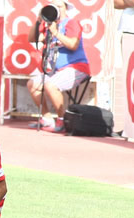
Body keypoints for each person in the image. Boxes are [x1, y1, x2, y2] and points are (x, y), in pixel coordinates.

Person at [26, 0, 89, 133]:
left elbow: (73, 45)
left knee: (51, 85)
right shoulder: (49, 25)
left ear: (66, 8)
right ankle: (47, 118)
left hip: (76, 68)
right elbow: (32, 39)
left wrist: (56, 33)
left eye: (59, 6)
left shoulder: (71, 23)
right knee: (32, 84)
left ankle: (62, 120)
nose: (57, 9)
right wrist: (38, 20)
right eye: (54, 7)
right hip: (56, 71)